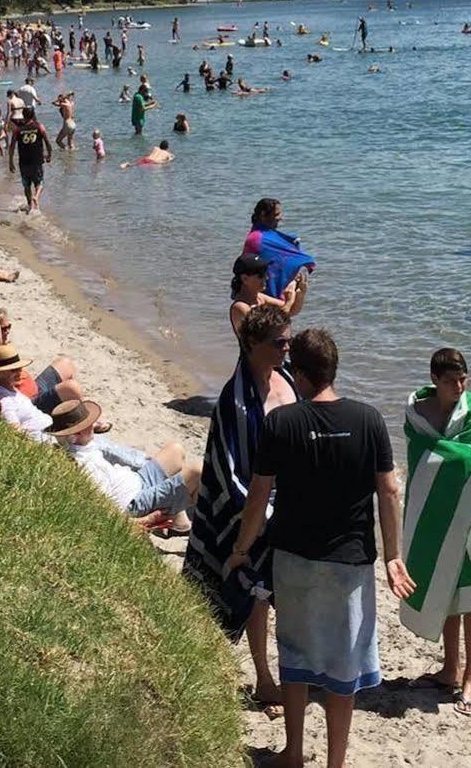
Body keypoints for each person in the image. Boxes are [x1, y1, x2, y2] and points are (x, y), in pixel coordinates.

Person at [228, 328, 412, 768]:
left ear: (300, 374)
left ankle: (293, 752)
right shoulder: (368, 419)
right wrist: (393, 556)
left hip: (293, 559)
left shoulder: (281, 422)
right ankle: (335, 762)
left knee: (295, 654)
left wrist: (242, 546)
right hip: (350, 564)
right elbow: (388, 492)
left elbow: (258, 495)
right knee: (342, 668)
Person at [184, 301, 299, 715]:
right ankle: (265, 678)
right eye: (279, 343)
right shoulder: (237, 403)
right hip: (253, 509)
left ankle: (282, 676)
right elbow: (230, 471)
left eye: (290, 341)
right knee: (256, 594)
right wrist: (259, 522)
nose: (287, 349)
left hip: (288, 505)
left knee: (278, 595)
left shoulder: (287, 379)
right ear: (251, 344)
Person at [401, 349, 471, 716]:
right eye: (450, 381)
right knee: (444, 583)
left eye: (463, 380)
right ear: (435, 380)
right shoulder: (416, 412)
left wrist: (445, 458)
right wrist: (449, 459)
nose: (459, 388)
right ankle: (449, 669)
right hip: (432, 511)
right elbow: (425, 457)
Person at [48, 399, 199, 532]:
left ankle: (179, 523)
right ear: (79, 434)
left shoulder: (81, 445)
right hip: (135, 502)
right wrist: (143, 521)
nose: (93, 424)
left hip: (137, 480)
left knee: (175, 450)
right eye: (89, 424)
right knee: (197, 471)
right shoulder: (80, 465)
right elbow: (101, 508)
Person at [232, 251, 305, 335]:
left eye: (266, 273)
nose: (266, 277)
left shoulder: (260, 297)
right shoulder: (240, 307)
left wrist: (300, 292)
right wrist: (289, 301)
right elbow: (270, 329)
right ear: (245, 279)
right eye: (261, 275)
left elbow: (292, 310)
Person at [12, 110, 49, 213]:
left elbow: (12, 146)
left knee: (26, 184)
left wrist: (11, 160)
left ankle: (30, 206)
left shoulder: (18, 129)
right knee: (40, 182)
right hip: (37, 160)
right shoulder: (39, 126)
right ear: (33, 115)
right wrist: (49, 153)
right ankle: (36, 196)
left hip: (24, 161)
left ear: (23, 115)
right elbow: (47, 141)